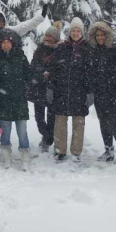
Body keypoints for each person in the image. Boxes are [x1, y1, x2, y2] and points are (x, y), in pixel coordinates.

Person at [46, 18, 92, 163]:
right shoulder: (62, 48)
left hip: (80, 93)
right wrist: (50, 88)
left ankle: (76, 152)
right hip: (61, 91)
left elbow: (90, 73)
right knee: (60, 123)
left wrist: (90, 92)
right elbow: (53, 69)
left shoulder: (87, 49)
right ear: (69, 32)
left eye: (78, 31)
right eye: (73, 31)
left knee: (78, 124)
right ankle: (60, 151)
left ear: (82, 32)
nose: (76, 33)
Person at [86, 21, 116, 165]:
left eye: (103, 35)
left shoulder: (114, 49)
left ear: (107, 35)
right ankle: (109, 150)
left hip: (114, 93)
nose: (100, 38)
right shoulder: (94, 50)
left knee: (113, 123)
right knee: (103, 122)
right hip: (100, 93)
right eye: (98, 35)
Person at [0, 30, 31, 170]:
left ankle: (25, 156)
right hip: (4, 101)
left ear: (12, 43)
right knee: (5, 132)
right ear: (0, 44)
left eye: (8, 42)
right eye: (4, 42)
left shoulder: (20, 57)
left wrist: (28, 86)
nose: (6, 44)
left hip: (19, 100)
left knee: (22, 131)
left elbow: (29, 75)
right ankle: (6, 155)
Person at [28, 24, 60, 152]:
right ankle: (47, 136)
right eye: (46, 35)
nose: (47, 38)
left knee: (51, 118)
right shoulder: (40, 49)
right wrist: (40, 74)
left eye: (51, 36)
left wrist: (50, 75)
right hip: (38, 88)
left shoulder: (59, 51)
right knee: (39, 118)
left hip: (52, 89)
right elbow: (33, 67)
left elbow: (58, 69)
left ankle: (47, 140)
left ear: (56, 38)